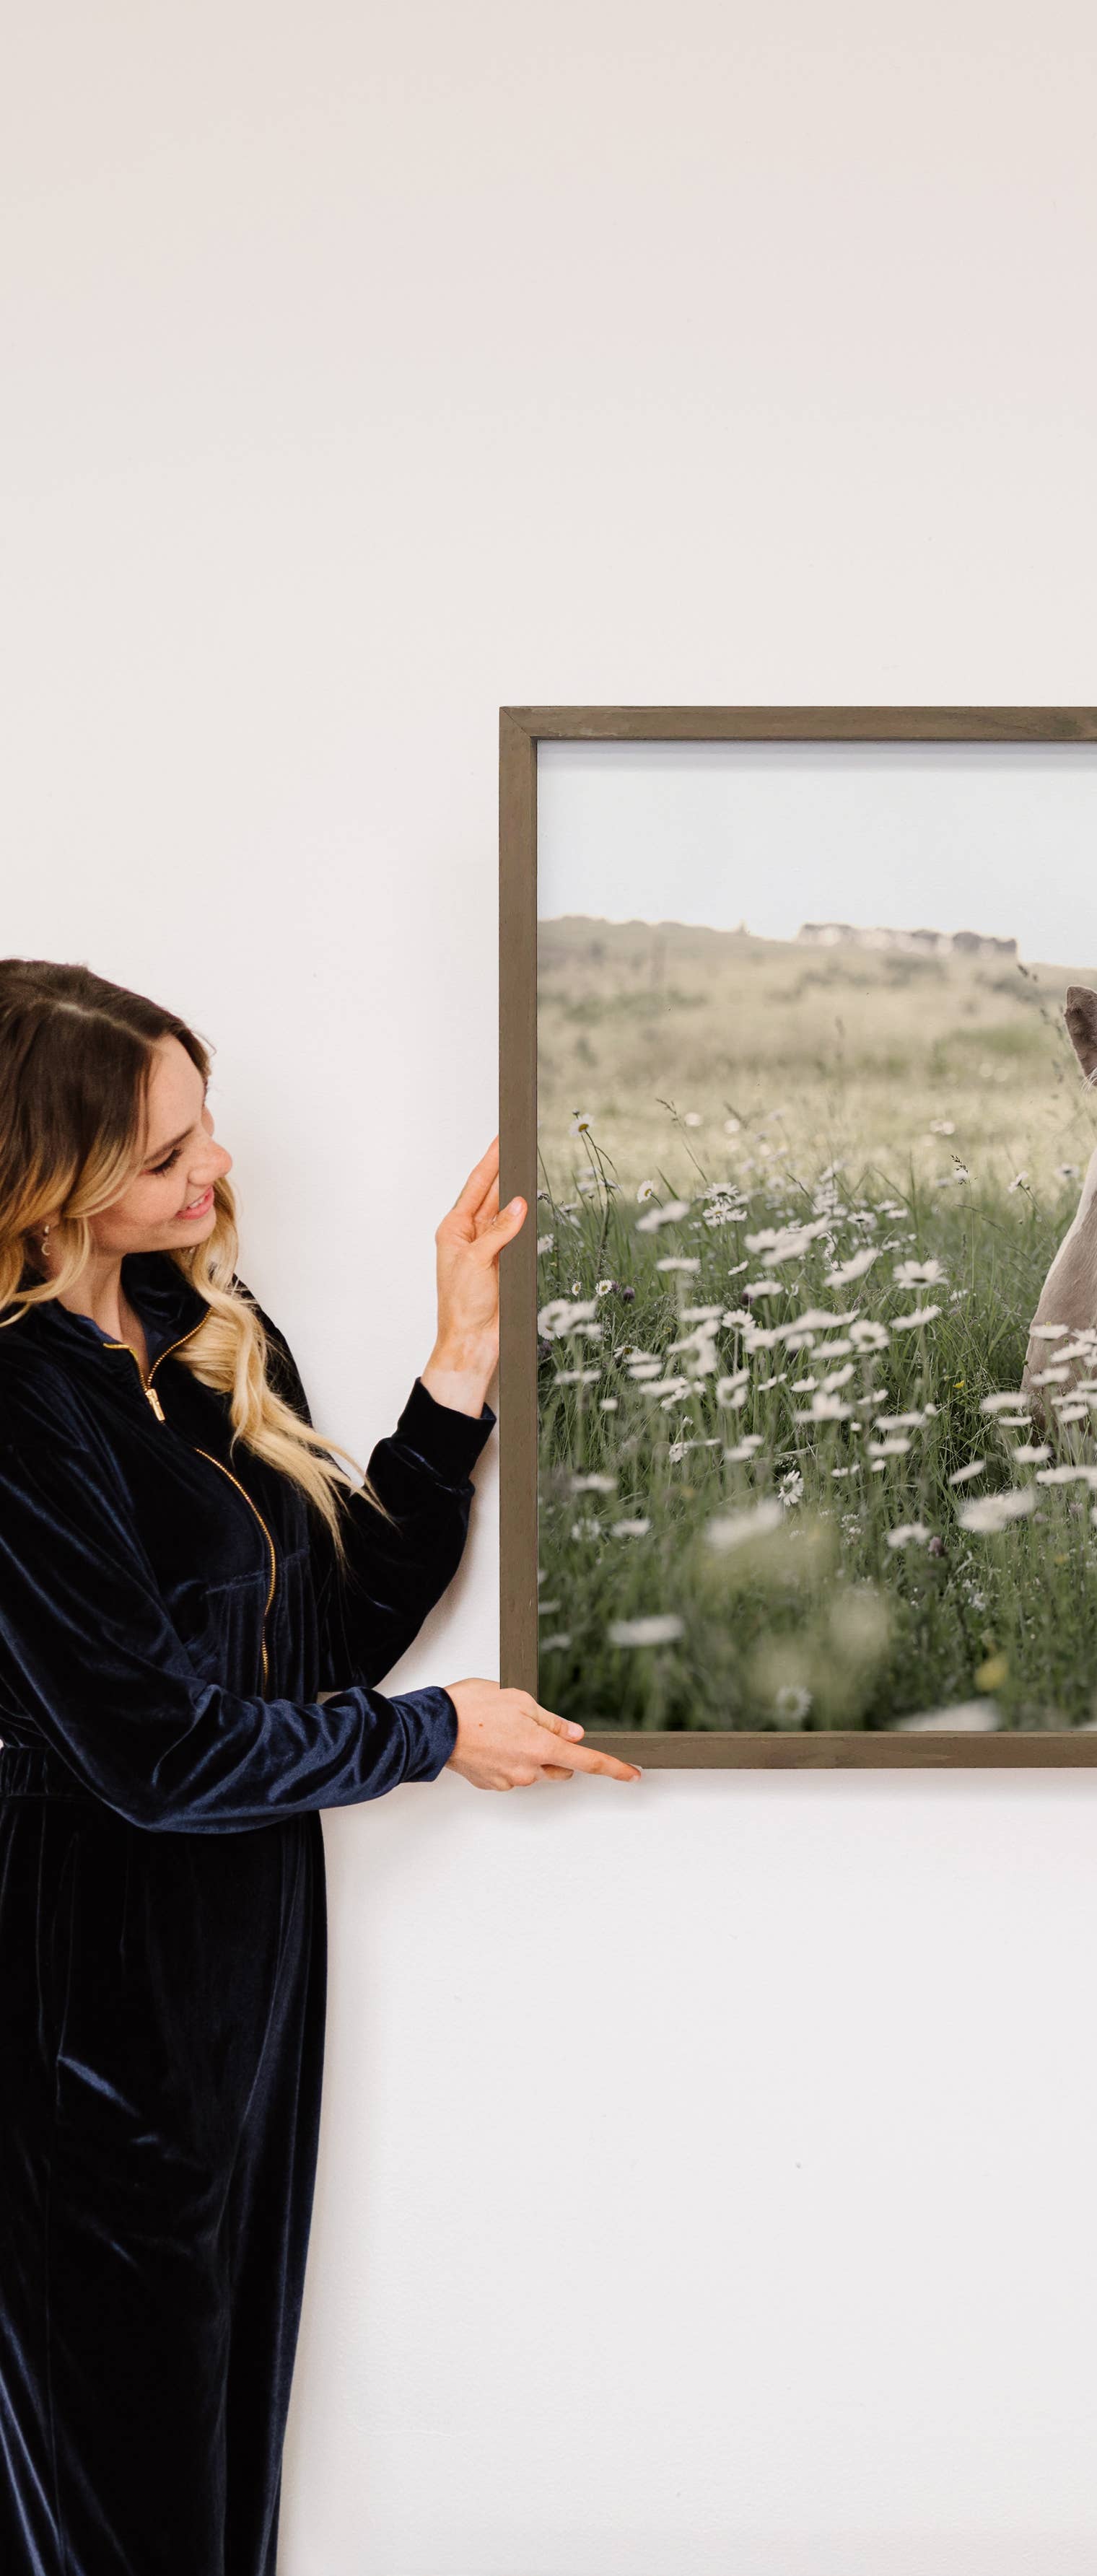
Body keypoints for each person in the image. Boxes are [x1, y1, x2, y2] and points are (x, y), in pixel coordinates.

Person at [0, 959, 640, 2576]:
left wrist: (461, 1361)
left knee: (212, 2465)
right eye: (165, 1156)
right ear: (43, 1178)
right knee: (115, 2497)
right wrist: (437, 1737)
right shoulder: (15, 1406)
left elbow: (327, 1633)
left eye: (204, 1126)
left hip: (238, 1975)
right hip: (72, 2000)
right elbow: (150, 1753)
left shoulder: (195, 1322)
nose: (214, 1171)